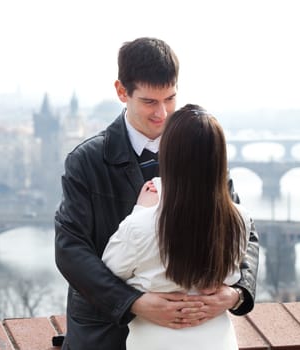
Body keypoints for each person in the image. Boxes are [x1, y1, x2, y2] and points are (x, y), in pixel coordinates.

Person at [54, 37, 259, 349]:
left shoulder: (202, 151)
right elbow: (71, 250)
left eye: (170, 99)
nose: (162, 114)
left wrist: (237, 292)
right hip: (105, 332)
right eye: (150, 102)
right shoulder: (86, 161)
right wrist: (133, 302)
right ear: (122, 92)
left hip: (192, 333)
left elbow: (238, 229)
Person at [102, 104, 253, 349]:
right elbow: (234, 274)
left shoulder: (142, 225)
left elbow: (108, 271)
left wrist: (139, 210)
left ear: (168, 155)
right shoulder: (239, 219)